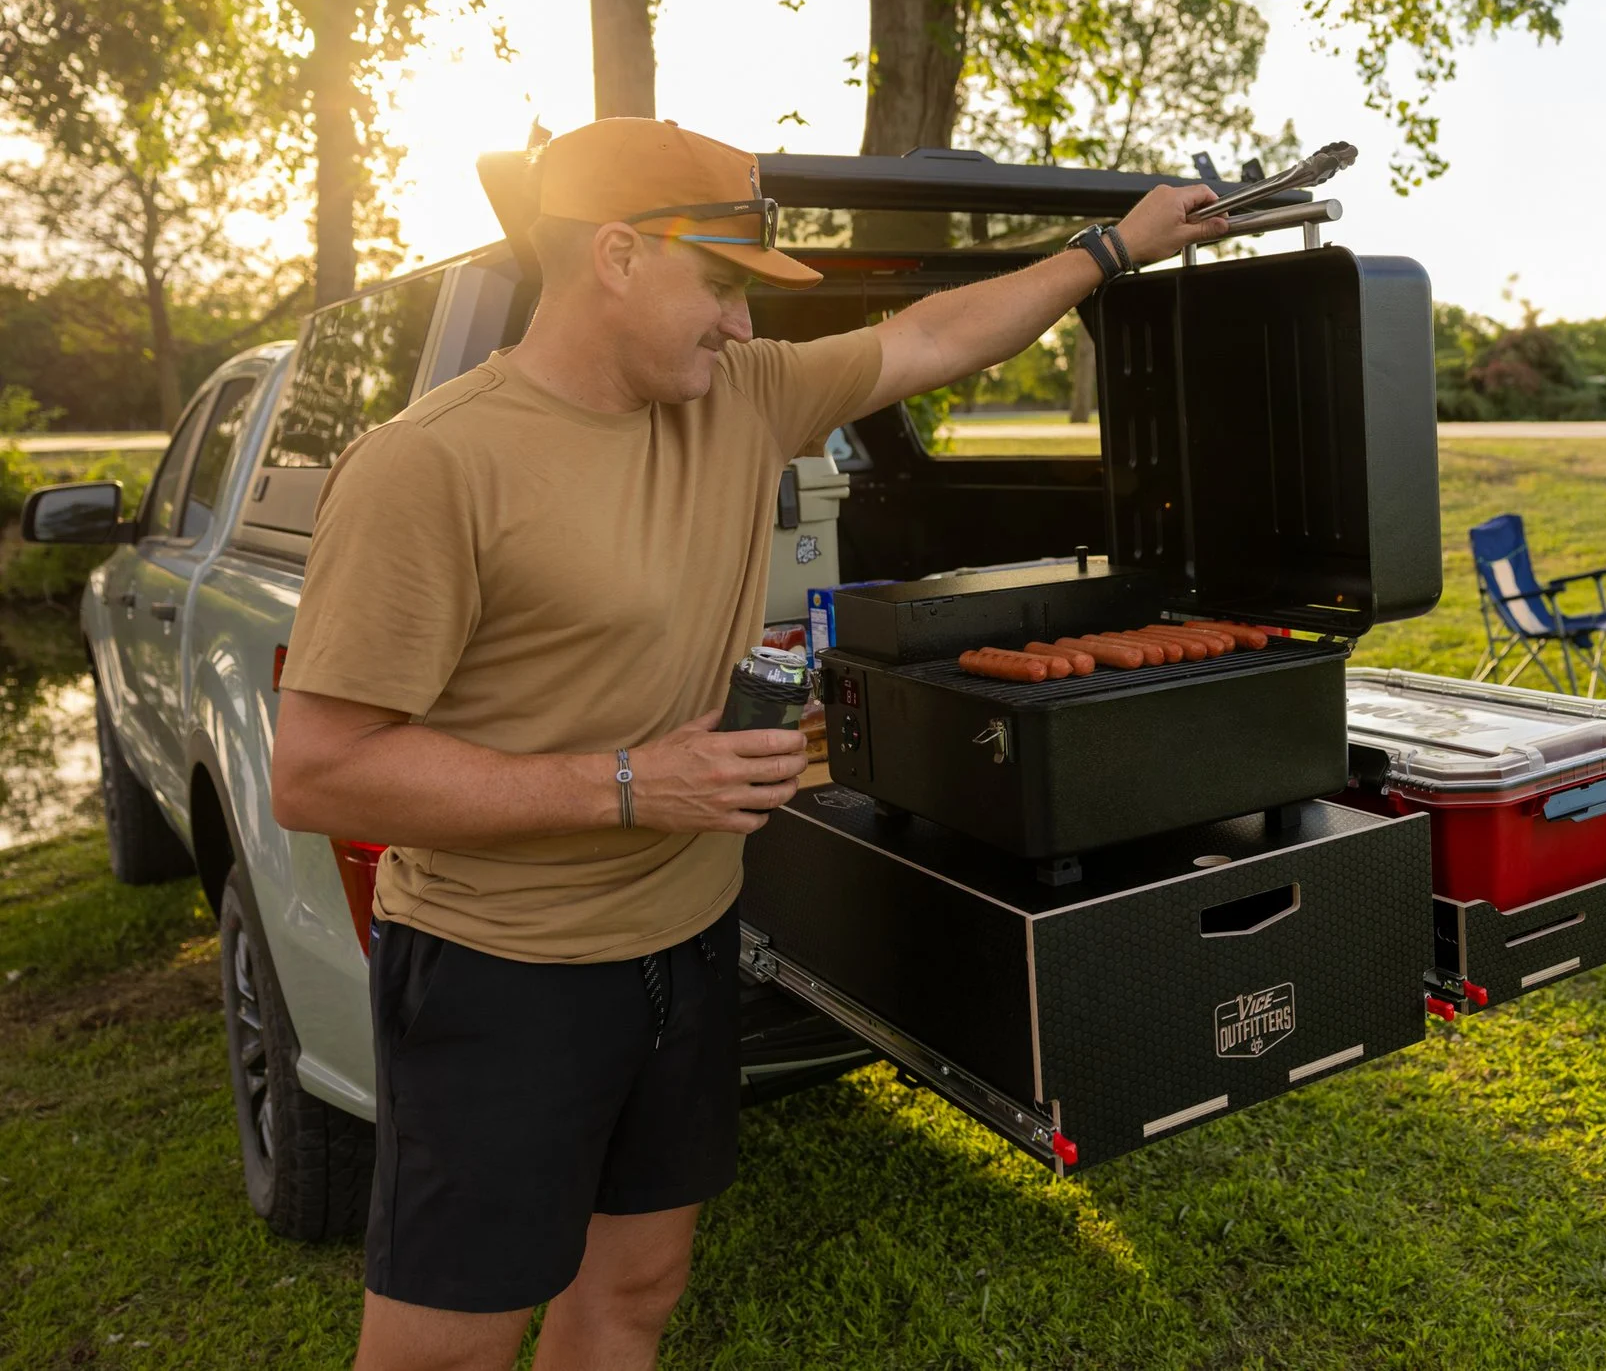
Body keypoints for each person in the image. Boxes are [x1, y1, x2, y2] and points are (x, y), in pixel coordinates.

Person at [268, 118, 1227, 1371]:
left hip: (686, 939)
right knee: (446, 1346)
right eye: (719, 288)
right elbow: (321, 770)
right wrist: (629, 783)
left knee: (635, 1293)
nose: (740, 327)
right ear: (616, 255)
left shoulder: (739, 397)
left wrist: (1110, 248)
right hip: (505, 971)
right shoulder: (429, 465)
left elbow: (935, 334)